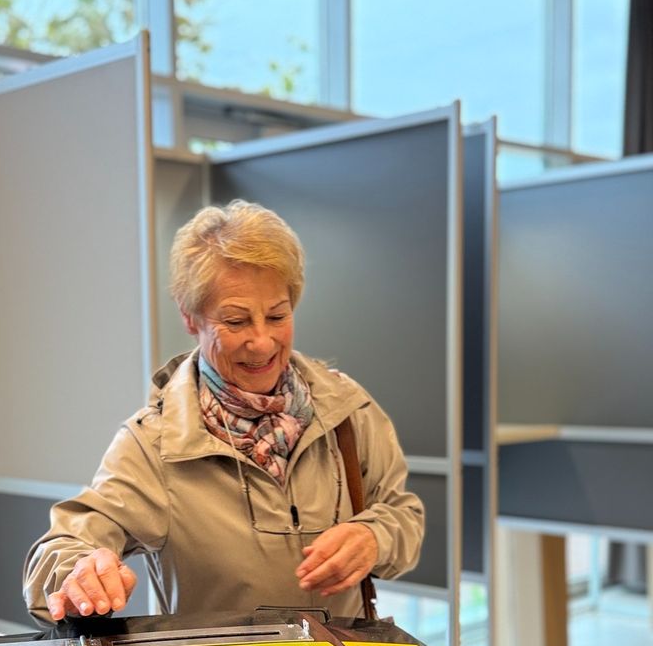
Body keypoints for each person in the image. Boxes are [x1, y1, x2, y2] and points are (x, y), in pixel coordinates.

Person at [23, 200, 424, 624]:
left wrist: (374, 536)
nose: (262, 342)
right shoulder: (156, 444)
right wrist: (79, 573)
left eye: (277, 315)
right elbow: (68, 541)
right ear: (190, 318)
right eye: (235, 321)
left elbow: (404, 516)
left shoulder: (346, 408)